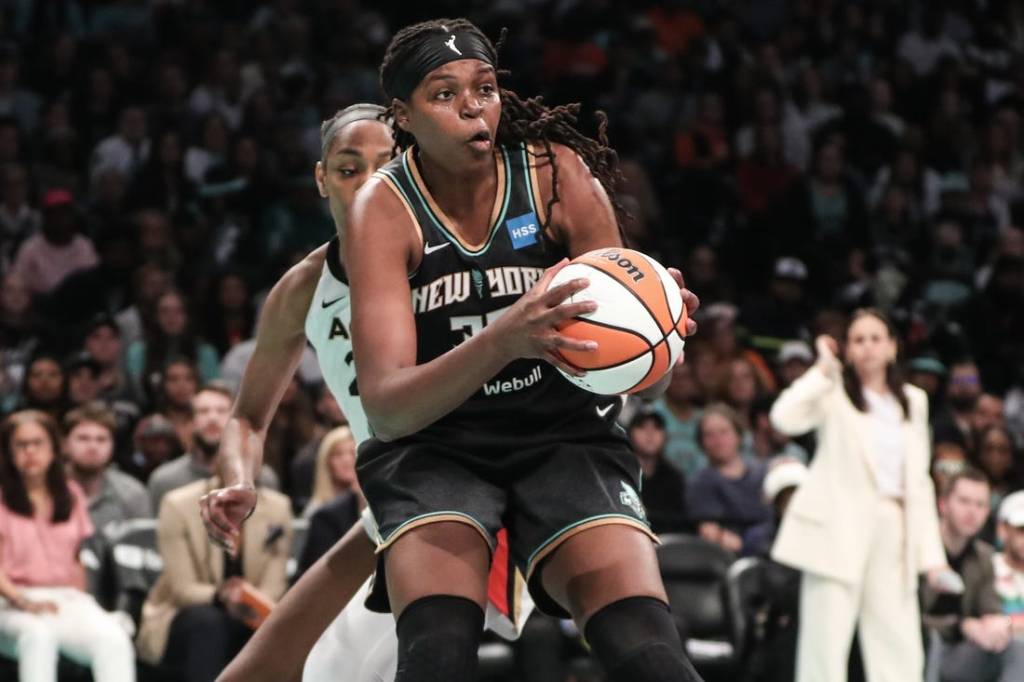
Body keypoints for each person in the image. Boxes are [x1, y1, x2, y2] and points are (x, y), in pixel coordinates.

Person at [343, 18, 701, 682]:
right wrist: (506, 338)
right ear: (403, 116)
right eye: (444, 94)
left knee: (651, 655)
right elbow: (389, 410)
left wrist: (658, 337)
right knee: (437, 657)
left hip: (563, 437)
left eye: (485, 87)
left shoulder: (556, 174)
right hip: (436, 447)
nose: (473, 106)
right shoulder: (382, 209)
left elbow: (626, 371)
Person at [202, 104, 533, 682]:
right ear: (321, 178)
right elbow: (248, 417)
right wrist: (239, 478)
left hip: (476, 497)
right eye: (348, 168)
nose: (367, 183)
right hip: (390, 504)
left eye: (386, 165)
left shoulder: (463, 255)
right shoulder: (302, 289)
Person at [769, 308, 954, 682]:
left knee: (898, 645)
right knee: (824, 646)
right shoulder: (833, 390)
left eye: (875, 338)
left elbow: (919, 483)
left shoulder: (914, 401)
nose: (867, 347)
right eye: (858, 340)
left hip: (894, 529)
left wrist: (931, 558)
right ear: (848, 350)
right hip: (837, 527)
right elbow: (784, 419)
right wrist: (821, 369)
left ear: (892, 347)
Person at [0, 410, 136, 682]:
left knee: (113, 638)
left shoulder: (71, 493)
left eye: (38, 443)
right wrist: (21, 600)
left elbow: (76, 558)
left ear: (54, 449)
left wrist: (83, 604)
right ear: (8, 452)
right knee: (38, 636)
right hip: (9, 600)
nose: (30, 451)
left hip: (62, 597)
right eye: (21, 444)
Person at [135, 462, 292, 682]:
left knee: (280, 627)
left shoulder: (278, 507)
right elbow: (182, 589)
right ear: (214, 466)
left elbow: (274, 585)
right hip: (185, 614)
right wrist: (222, 595)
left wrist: (250, 601)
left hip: (251, 610)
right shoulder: (178, 504)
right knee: (209, 623)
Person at [922, 467, 1024, 682]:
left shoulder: (983, 556)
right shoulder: (920, 549)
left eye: (980, 505)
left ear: (988, 512)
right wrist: (964, 626)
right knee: (930, 640)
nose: (972, 511)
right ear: (943, 504)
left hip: (961, 655)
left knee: (1017, 648)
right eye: (964, 501)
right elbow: (908, 616)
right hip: (921, 645)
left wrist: (996, 625)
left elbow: (990, 609)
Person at [148, 382, 277, 512]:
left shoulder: (261, 478)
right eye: (203, 411)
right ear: (191, 421)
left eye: (221, 411)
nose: (212, 418)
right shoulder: (164, 481)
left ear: (236, 421)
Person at [688, 403, 771, 554]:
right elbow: (709, 530)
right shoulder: (701, 482)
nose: (718, 440)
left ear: (738, 435)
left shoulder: (763, 473)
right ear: (701, 442)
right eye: (709, 434)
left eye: (724, 432)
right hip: (726, 555)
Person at [63, 403, 151, 537]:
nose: (92, 447)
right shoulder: (44, 490)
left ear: (112, 446)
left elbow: (143, 547)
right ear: (65, 445)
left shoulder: (132, 494)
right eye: (83, 438)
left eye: (101, 440)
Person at [627, 410, 687, 534]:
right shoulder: (622, 475)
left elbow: (683, 521)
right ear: (629, 434)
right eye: (642, 427)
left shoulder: (674, 477)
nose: (650, 434)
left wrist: (647, 514)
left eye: (657, 427)